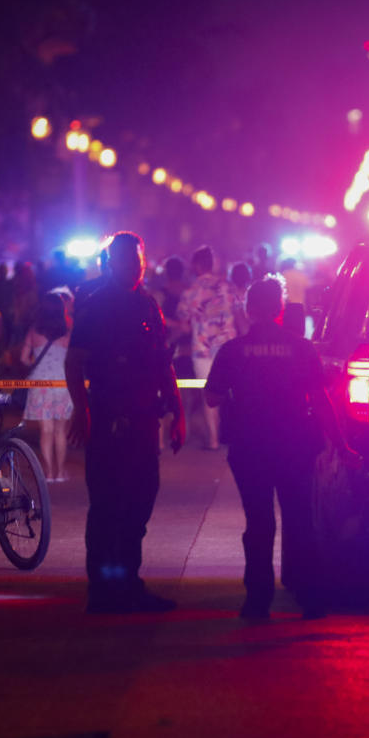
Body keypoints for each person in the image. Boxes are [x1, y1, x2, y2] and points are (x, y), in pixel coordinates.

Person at [67, 231, 185, 614]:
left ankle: (129, 585)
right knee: (106, 505)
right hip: (108, 415)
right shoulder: (96, 305)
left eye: (139, 261)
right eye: (127, 261)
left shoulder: (148, 304)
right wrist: (80, 409)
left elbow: (162, 361)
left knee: (140, 498)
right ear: (111, 263)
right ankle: (103, 591)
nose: (135, 267)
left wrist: (178, 411)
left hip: (143, 416)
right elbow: (74, 362)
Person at [204, 275, 334, 619]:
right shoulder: (301, 348)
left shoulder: (232, 351)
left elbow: (212, 398)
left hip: (250, 447)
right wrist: (340, 443)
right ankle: (310, 596)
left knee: (258, 522)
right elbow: (320, 400)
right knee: (300, 521)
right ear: (280, 308)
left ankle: (257, 600)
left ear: (248, 309)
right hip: (294, 445)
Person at [177, 245, 242, 450]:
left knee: (209, 394)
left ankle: (213, 439)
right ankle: (232, 435)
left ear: (196, 265)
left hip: (202, 350)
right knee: (230, 392)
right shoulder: (228, 287)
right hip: (228, 347)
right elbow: (240, 313)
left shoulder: (190, 292)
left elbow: (184, 322)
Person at [20, 293, 73, 482]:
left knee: (46, 431)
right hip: (63, 384)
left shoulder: (34, 331)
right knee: (60, 431)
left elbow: (23, 359)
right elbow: (74, 359)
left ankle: (48, 472)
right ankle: (60, 472)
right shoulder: (68, 331)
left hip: (40, 384)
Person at [279, 257, 310, 338]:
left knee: (288, 337)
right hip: (301, 308)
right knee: (300, 336)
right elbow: (308, 290)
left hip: (288, 308)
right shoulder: (301, 275)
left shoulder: (284, 275)